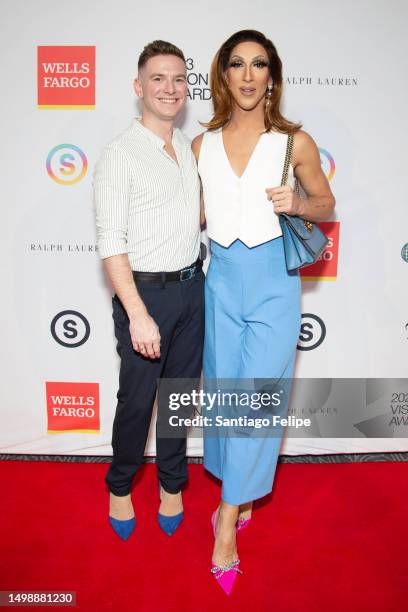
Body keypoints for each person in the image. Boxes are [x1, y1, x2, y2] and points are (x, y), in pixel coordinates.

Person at [192, 29, 335, 594]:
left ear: (271, 75)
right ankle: (238, 485)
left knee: (258, 394)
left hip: (273, 281)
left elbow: (325, 203)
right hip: (219, 281)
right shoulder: (202, 145)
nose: (248, 76)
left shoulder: (293, 141)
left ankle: (226, 516)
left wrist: (299, 202)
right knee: (227, 391)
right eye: (236, 64)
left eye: (258, 65)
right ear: (223, 75)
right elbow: (194, 215)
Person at [94, 40, 204, 541]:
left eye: (179, 79)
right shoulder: (120, 153)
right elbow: (111, 242)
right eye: (158, 79)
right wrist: (136, 314)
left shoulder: (186, 145)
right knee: (138, 401)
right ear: (139, 87)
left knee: (178, 398)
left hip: (191, 288)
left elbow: (192, 217)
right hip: (144, 297)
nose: (170, 88)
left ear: (187, 88)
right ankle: (120, 487)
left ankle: (172, 485)